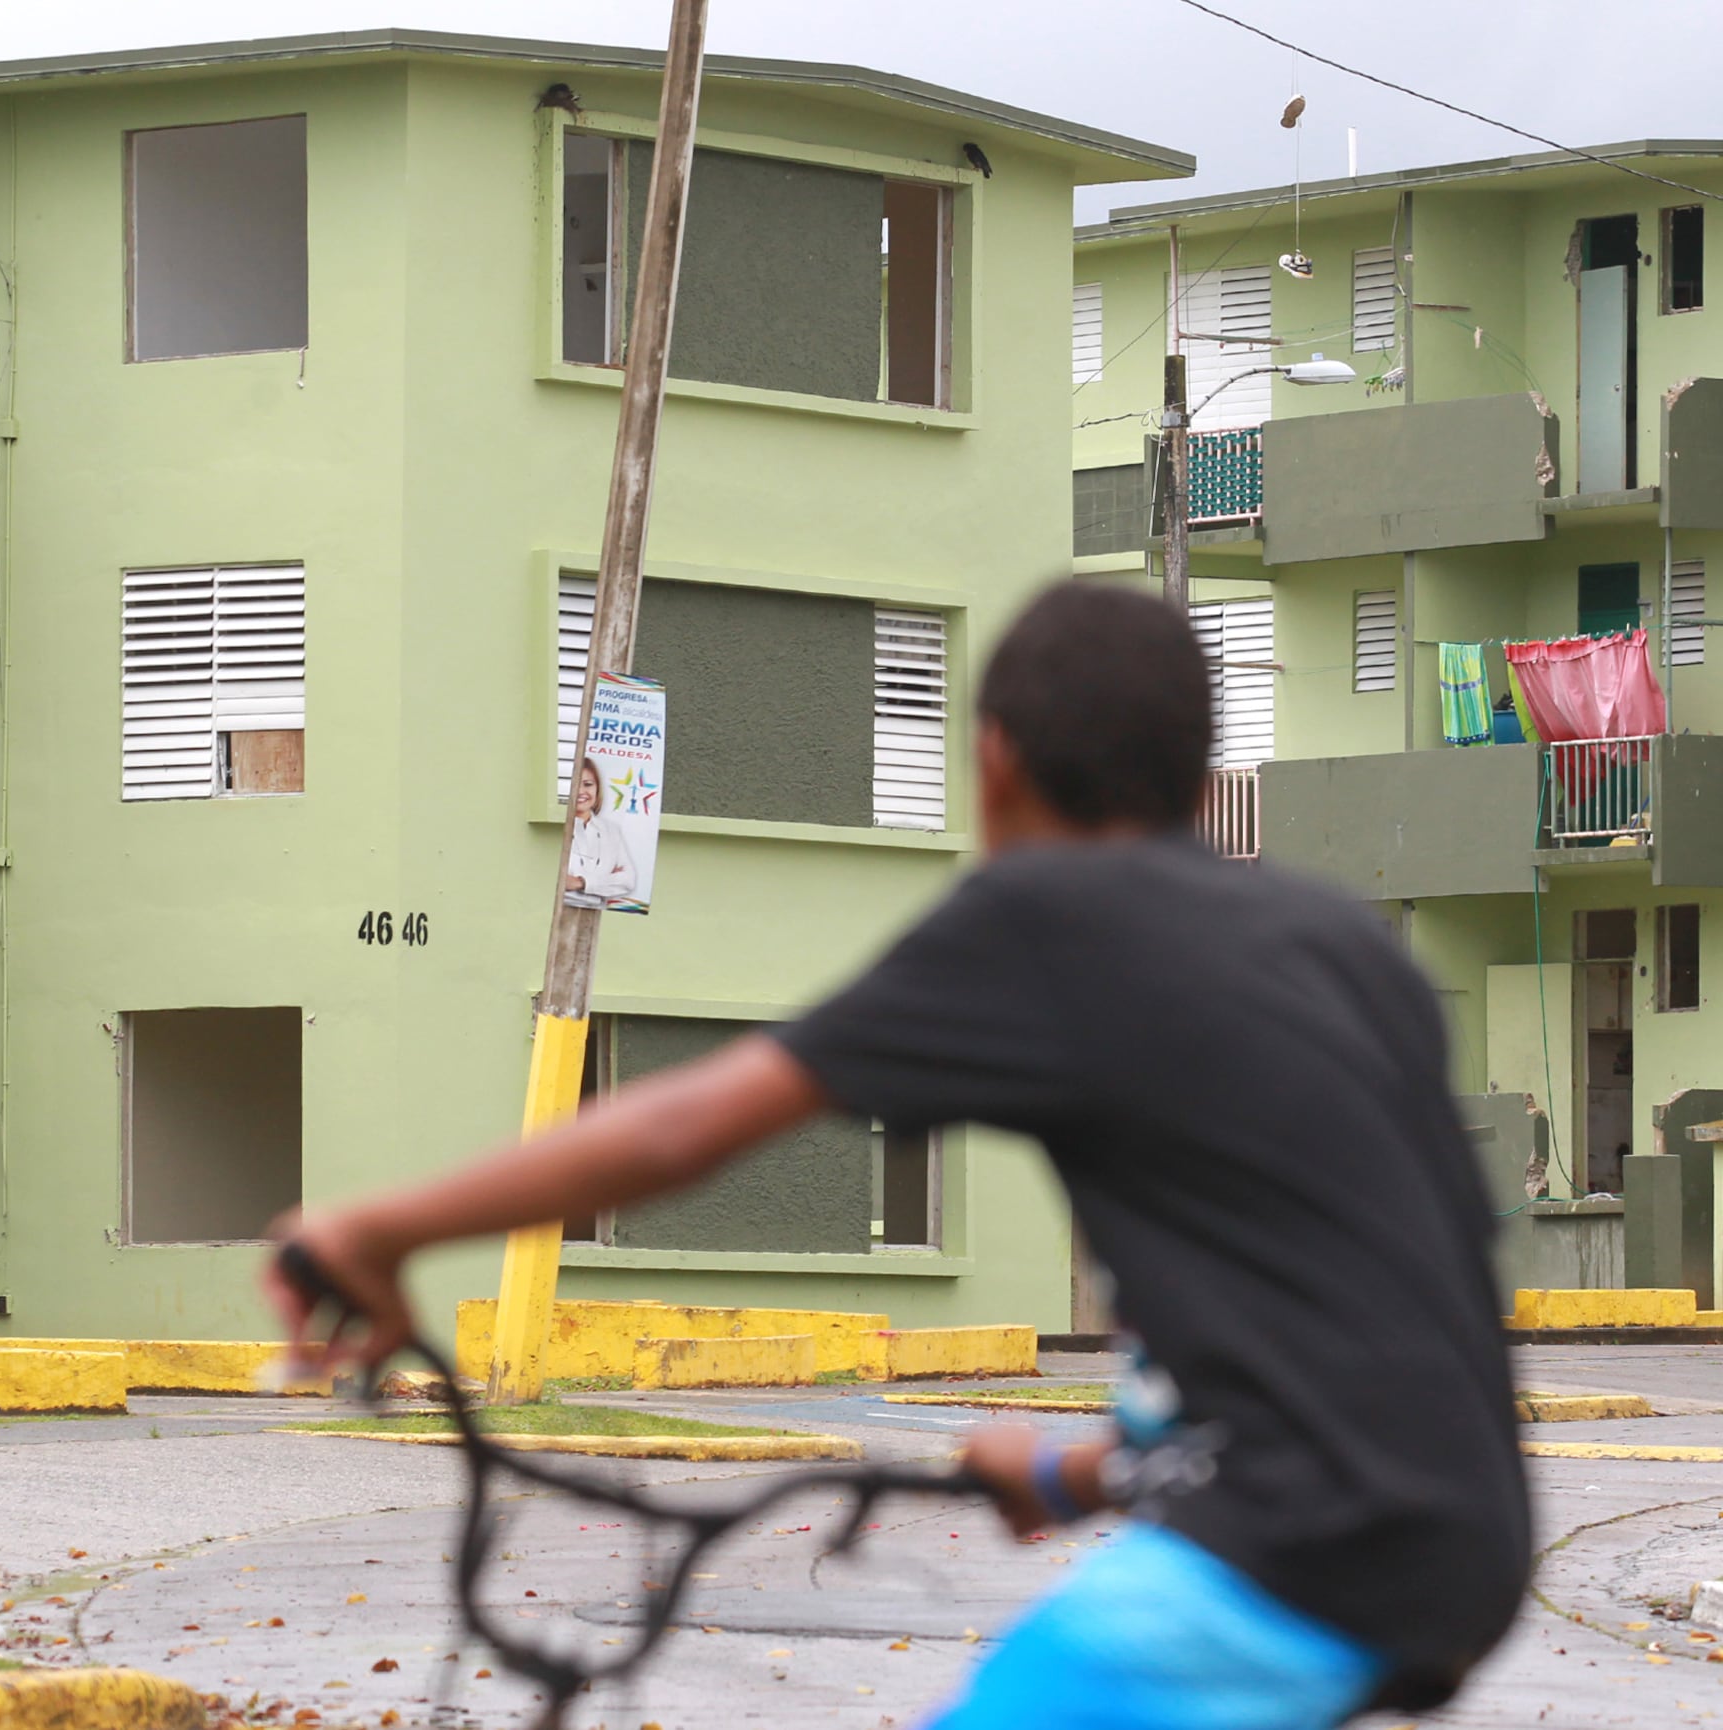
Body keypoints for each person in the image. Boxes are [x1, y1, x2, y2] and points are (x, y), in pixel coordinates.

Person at [268, 582, 1528, 1728]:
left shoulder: (1046, 916)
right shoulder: (1342, 946)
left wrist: (374, 1229)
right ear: (1199, 779)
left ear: (993, 764)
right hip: (1461, 1539)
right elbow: (1364, 1328)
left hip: (1312, 1544)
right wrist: (1076, 1467)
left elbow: (680, 1122)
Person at [561, 755, 637, 906]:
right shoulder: (556, 826)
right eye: (574, 784)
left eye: (588, 784)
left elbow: (628, 879)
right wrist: (606, 882)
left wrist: (581, 882)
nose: (581, 791)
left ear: (597, 788)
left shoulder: (611, 831)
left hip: (596, 913)